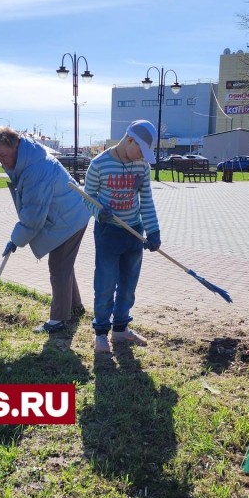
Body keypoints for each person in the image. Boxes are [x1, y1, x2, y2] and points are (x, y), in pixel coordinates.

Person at [0, 126, 90, 333]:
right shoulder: (29, 158)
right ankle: (75, 307)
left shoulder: (35, 169)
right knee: (64, 265)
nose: (1, 160)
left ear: (15, 146)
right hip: (70, 214)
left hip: (69, 218)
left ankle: (59, 320)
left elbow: (33, 216)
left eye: (3, 155)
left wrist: (16, 239)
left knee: (59, 266)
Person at [82, 120, 161, 354]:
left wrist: (153, 230)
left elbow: (146, 200)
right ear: (129, 140)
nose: (143, 157)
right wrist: (99, 213)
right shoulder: (99, 164)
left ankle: (120, 328)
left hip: (134, 232)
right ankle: (101, 334)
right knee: (106, 284)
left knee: (128, 285)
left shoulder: (141, 166)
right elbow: (88, 197)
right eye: (141, 150)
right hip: (108, 232)